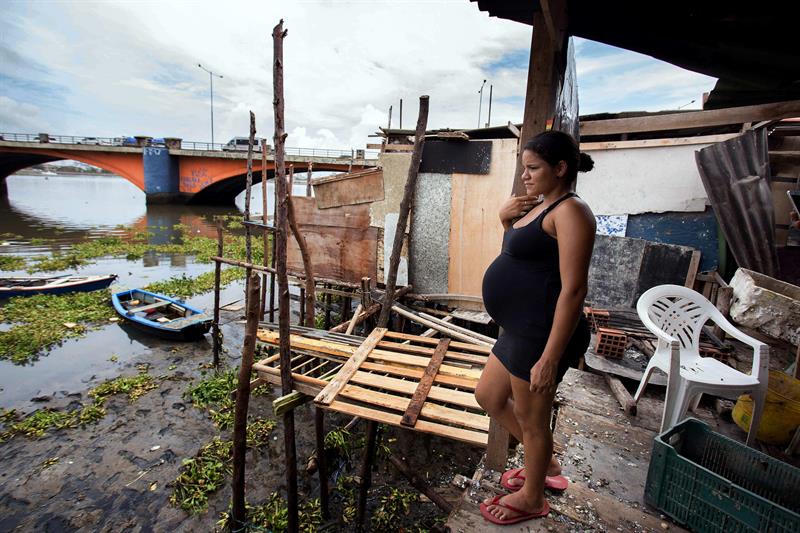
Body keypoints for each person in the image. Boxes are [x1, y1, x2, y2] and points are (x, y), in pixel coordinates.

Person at [476, 130, 596, 525]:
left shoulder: (571, 211)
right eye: (523, 168)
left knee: (532, 420)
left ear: (560, 168)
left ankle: (532, 497)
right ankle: (545, 460)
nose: (525, 176)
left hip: (541, 336)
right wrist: (504, 220)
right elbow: (520, 258)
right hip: (518, 329)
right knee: (488, 396)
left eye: (533, 168)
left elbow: (574, 289)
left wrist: (550, 357)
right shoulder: (541, 206)